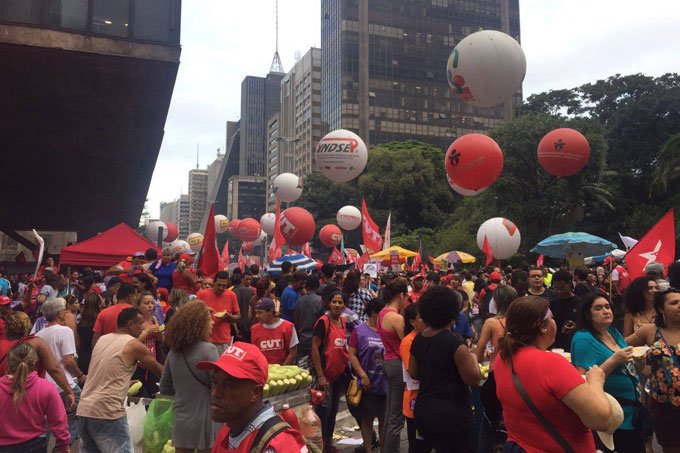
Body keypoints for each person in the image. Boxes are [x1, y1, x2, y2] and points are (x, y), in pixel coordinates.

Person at [494, 296, 614, 453]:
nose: (554, 322)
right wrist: (596, 381)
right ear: (543, 327)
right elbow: (602, 420)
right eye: (552, 318)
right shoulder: (550, 363)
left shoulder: (502, 358)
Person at [77, 307, 163, 452]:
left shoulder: (103, 339)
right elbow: (158, 370)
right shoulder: (133, 344)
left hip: (85, 409)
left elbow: (103, 372)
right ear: (130, 324)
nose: (143, 328)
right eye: (140, 323)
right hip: (108, 412)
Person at [407, 286, 482, 452]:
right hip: (452, 414)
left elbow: (413, 373)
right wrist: (474, 358)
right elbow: (473, 379)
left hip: (424, 410)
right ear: (452, 313)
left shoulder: (419, 339)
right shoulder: (456, 344)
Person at [198, 342, 307, 452]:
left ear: (255, 392)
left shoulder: (274, 446)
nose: (215, 393)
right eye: (215, 382)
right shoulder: (229, 430)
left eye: (228, 385)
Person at [571, 292, 645, 453]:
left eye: (607, 307)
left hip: (632, 410)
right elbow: (583, 382)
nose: (606, 311)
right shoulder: (583, 339)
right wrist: (614, 360)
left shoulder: (613, 331)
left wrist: (638, 362)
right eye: (598, 308)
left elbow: (627, 365)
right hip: (612, 415)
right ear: (587, 314)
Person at [159, 300, 220, 453]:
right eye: (208, 319)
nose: (212, 322)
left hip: (182, 418)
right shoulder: (209, 350)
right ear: (200, 324)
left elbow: (165, 387)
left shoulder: (173, 353)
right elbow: (219, 384)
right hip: (207, 419)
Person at [626, 288, 680, 452]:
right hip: (664, 404)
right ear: (661, 308)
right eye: (674, 303)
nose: (679, 305)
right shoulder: (650, 331)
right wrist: (641, 367)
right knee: (671, 447)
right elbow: (620, 347)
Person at [0, 343, 70, 452]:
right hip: (35, 444)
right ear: (35, 362)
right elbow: (58, 420)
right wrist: (64, 444)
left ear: (8, 362)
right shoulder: (46, 388)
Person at [35, 298, 86, 448]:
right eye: (65, 309)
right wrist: (81, 376)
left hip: (46, 385)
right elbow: (68, 360)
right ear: (60, 313)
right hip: (65, 384)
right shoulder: (65, 331)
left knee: (49, 424)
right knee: (75, 420)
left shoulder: (40, 333)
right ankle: (64, 448)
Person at [0, 311, 75, 410]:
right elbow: (54, 369)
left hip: (4, 394)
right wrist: (69, 391)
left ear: (6, 328)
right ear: (27, 325)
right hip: (32, 394)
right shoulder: (36, 343)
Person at [475, 285, 518, 453]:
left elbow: (478, 355)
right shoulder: (523, 321)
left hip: (497, 377)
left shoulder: (492, 323)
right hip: (520, 377)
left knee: (488, 427)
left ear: (497, 302)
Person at [311, 291, 349, 452]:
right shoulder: (323, 322)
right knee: (322, 414)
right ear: (329, 303)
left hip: (338, 376)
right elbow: (314, 348)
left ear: (344, 305)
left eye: (340, 303)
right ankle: (317, 447)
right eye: (334, 302)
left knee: (332, 413)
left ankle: (327, 445)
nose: (337, 305)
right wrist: (320, 376)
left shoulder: (342, 321)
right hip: (324, 377)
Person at [348, 298, 387, 453]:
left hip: (385, 383)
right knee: (367, 418)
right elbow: (352, 354)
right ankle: (369, 449)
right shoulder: (359, 331)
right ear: (373, 313)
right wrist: (362, 374)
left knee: (384, 419)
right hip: (367, 383)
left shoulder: (388, 331)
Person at [376, 280, 407, 453]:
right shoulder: (396, 318)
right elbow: (407, 344)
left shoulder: (382, 313)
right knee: (396, 417)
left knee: (389, 413)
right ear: (401, 295)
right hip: (398, 365)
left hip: (388, 362)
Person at [400, 302, 426, 453]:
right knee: (416, 445)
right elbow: (412, 371)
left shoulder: (425, 337)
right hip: (414, 399)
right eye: (422, 317)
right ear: (412, 322)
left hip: (426, 397)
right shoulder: (408, 342)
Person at [197, 271, 240, 355]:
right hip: (205, 340)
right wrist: (205, 312)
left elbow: (238, 316)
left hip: (223, 341)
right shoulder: (202, 294)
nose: (221, 288)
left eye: (224, 286)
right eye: (219, 285)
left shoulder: (231, 295)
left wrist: (228, 316)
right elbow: (194, 315)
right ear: (214, 282)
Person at [132, 291, 164, 396]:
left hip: (152, 361)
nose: (150, 306)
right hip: (139, 364)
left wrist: (159, 332)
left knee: (153, 392)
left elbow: (160, 341)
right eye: (146, 303)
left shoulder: (154, 319)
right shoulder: (137, 321)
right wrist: (147, 332)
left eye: (152, 303)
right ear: (138, 305)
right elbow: (134, 342)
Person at [251, 298, 299, 365]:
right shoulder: (254, 329)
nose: (256, 316)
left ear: (270, 311)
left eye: (260, 312)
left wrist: (280, 370)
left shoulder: (288, 327)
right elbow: (254, 354)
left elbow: (293, 352)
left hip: (283, 371)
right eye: (256, 312)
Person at [91, 282, 137, 348]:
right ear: (130, 297)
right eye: (135, 296)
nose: (136, 299)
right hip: (128, 352)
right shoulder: (135, 313)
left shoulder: (103, 313)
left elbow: (96, 338)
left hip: (106, 353)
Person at [293, 274, 324, 364]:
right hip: (316, 341)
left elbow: (296, 321)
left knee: (302, 368)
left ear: (307, 286)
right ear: (318, 286)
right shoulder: (320, 301)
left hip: (302, 340)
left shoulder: (300, 301)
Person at [548, 270, 581, 352]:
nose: (559, 291)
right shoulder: (552, 303)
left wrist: (577, 327)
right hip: (557, 346)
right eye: (556, 289)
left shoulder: (580, 303)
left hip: (575, 343)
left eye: (562, 288)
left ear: (569, 283)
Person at [77, 292, 103, 374]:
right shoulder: (100, 321)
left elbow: (78, 343)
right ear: (98, 305)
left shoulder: (81, 322)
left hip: (83, 357)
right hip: (98, 357)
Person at [232, 272, 255, 343]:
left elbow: (232, 312)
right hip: (248, 325)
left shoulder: (232, 292)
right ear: (241, 280)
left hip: (237, 325)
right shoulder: (250, 291)